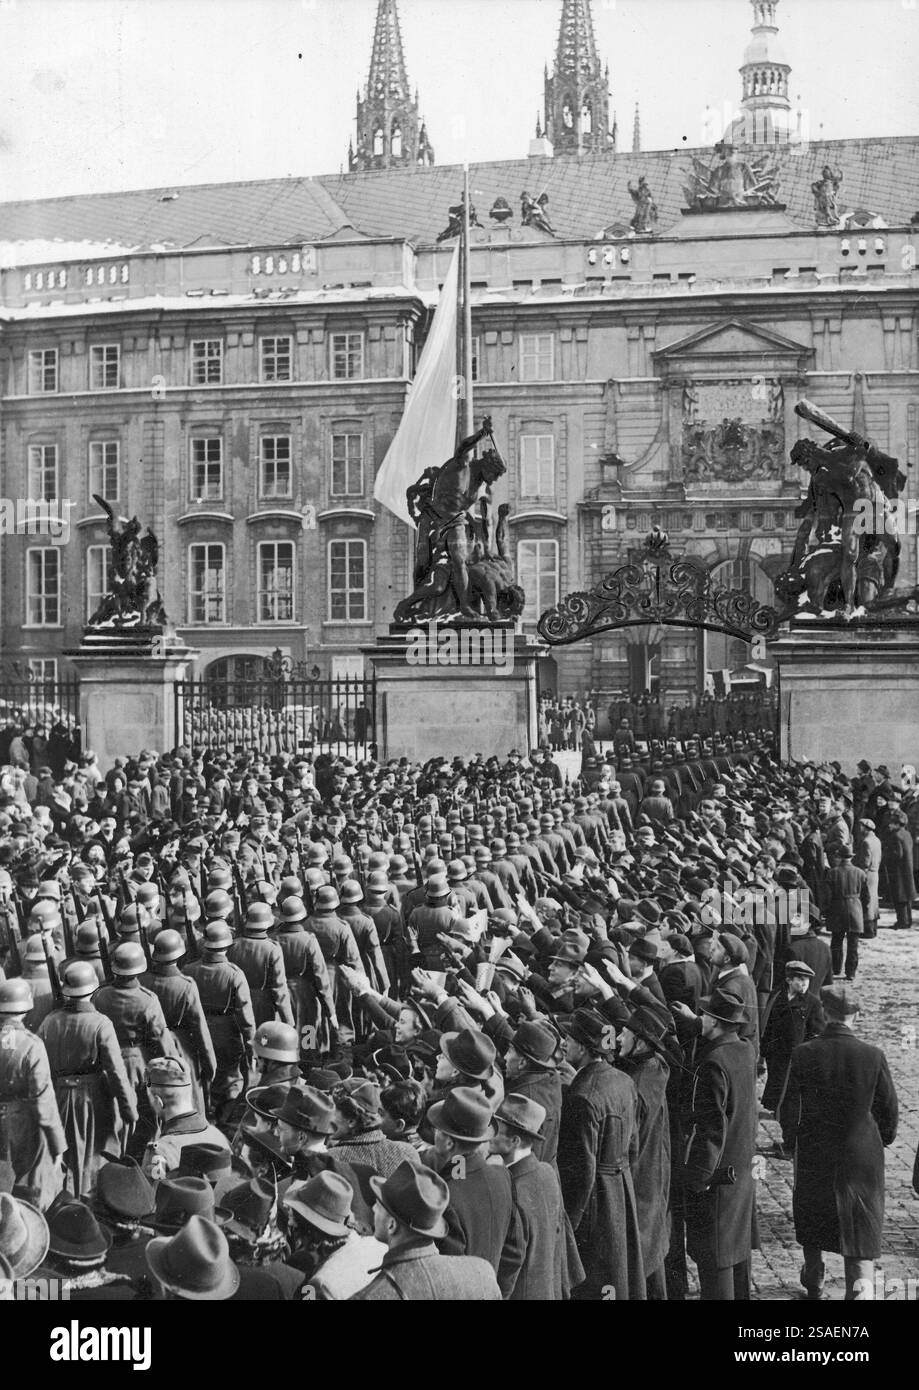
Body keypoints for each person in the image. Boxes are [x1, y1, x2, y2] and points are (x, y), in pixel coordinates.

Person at [780, 983, 898, 1301]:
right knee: (859, 1229)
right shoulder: (873, 1056)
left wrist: (792, 1141)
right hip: (861, 1157)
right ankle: (859, 1293)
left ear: (823, 1013)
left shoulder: (804, 1052)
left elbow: (788, 1108)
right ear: (856, 1016)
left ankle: (814, 1280)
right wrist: (879, 1139)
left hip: (815, 1150)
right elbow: (888, 1111)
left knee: (813, 1215)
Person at [557, 1007, 645, 1300]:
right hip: (621, 1190)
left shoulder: (581, 1096)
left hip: (595, 1202)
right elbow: (633, 1143)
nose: (563, 1044)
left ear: (582, 1047)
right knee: (618, 1274)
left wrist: (569, 1224)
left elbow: (581, 1171)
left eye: (568, 1039)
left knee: (593, 1280)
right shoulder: (623, 1080)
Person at [38, 960, 138, 1198]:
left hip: (58, 1097)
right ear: (93, 990)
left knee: (65, 1158)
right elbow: (116, 1072)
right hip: (93, 1099)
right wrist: (128, 1110)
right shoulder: (101, 1024)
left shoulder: (48, 1021)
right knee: (93, 1158)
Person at [682, 986, 757, 1301]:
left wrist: (697, 1179)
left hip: (717, 1178)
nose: (699, 1018)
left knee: (715, 1262)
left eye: (704, 1014)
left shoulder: (712, 1062)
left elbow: (711, 1129)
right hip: (740, 1169)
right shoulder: (744, 1050)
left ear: (713, 1021)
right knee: (735, 1253)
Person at [351, 1160, 502, 1300]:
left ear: (391, 1225)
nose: (373, 1208)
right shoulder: (482, 1272)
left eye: (379, 1204)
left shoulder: (373, 1295)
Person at [426, 1086, 524, 1297]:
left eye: (437, 1130)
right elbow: (515, 1252)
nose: (434, 1134)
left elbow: (450, 1277)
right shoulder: (502, 1176)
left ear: (449, 1142)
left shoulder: (444, 1196)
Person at [489, 1093, 564, 1301]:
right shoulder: (547, 1172)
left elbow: (509, 1266)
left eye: (495, 1130)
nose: (488, 1133)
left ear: (514, 1140)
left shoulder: (510, 1191)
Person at [0, 977, 66, 1208]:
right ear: (26, 1008)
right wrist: (57, 1144)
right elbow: (43, 1099)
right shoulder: (32, 1044)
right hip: (24, 1122)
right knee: (29, 1187)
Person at [282, 1171, 386, 1299]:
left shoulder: (323, 1285)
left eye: (296, 1219)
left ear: (311, 1230)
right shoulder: (378, 1246)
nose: (290, 1223)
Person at [761, 961, 824, 1129]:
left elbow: (815, 1033)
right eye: (799, 979)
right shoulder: (777, 996)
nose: (804, 984)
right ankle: (779, 1121)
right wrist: (764, 1050)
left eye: (806, 980)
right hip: (775, 1055)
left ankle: (786, 1136)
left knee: (789, 1097)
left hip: (794, 1059)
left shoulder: (813, 1003)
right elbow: (768, 1023)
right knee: (776, 1092)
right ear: (789, 980)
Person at [823, 845, 870, 981]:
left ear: (839, 856)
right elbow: (866, 896)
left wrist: (826, 910)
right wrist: (863, 910)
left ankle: (836, 969)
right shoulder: (861, 873)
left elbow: (827, 895)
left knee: (836, 941)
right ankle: (851, 972)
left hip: (837, 909)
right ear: (851, 857)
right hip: (855, 908)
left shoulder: (832, 873)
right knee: (853, 943)